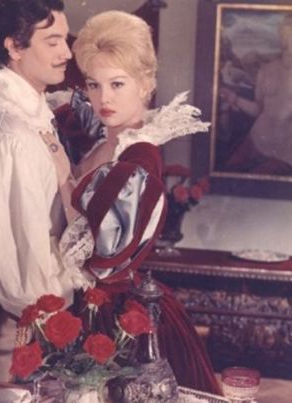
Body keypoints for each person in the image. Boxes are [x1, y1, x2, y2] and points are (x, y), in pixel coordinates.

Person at [45, 10, 222, 394]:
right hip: (89, 302)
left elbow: (102, 253)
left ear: (145, 85)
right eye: (94, 85)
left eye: (117, 84)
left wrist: (62, 177)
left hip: (121, 315)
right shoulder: (105, 141)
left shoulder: (140, 156)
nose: (104, 98)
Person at [0, 0, 86, 383]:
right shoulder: (6, 134)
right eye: (53, 41)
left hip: (30, 302)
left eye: (65, 40)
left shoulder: (28, 117)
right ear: (14, 46)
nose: (67, 53)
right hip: (13, 312)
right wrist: (41, 313)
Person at [219, 14, 292, 174]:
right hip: (256, 139)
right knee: (226, 175)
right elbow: (259, 110)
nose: (286, 40)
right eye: (284, 34)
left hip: (283, 153)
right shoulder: (267, 69)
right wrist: (235, 99)